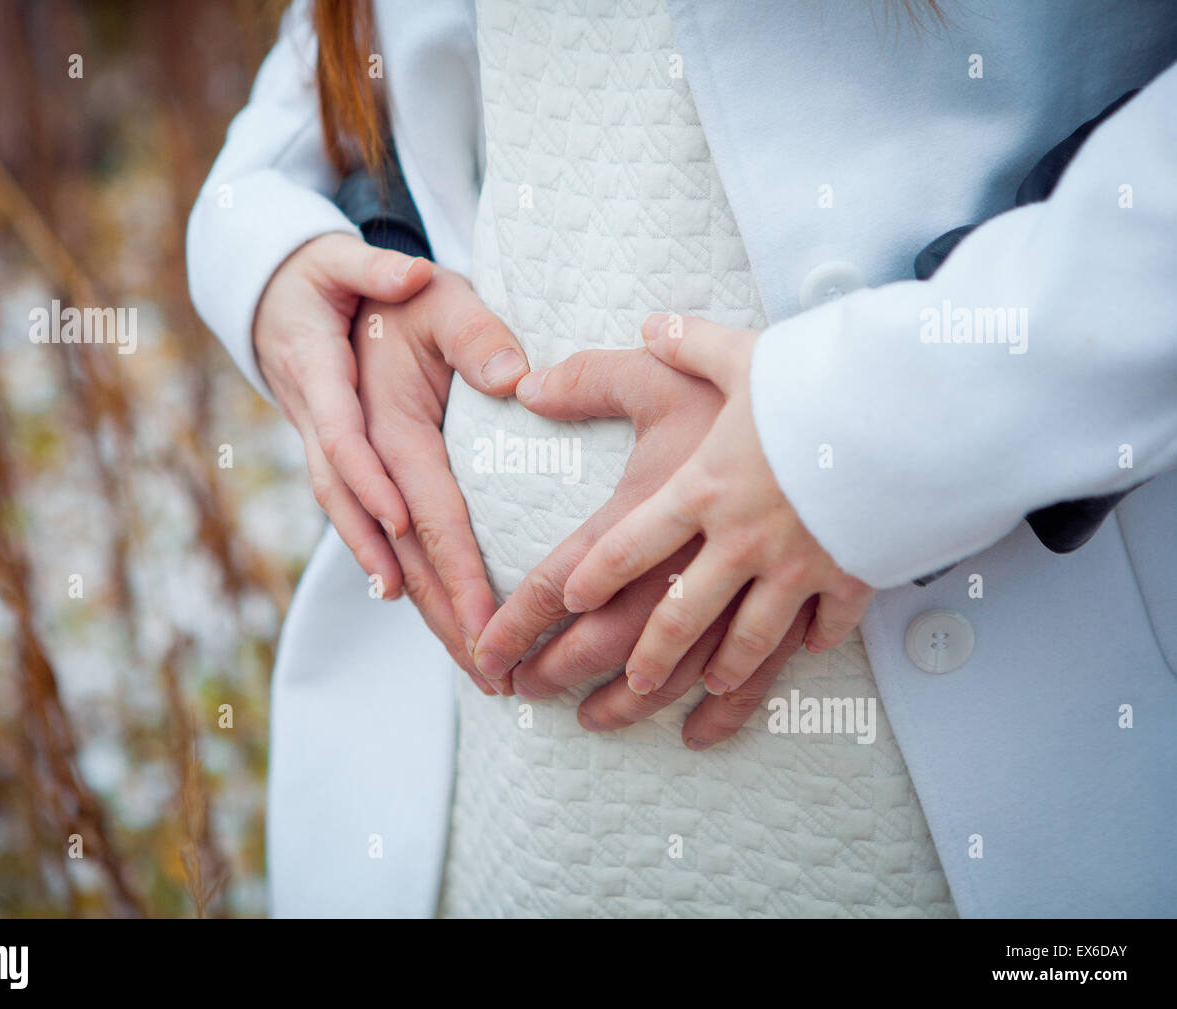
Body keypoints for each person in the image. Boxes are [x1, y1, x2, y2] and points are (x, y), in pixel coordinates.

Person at [187, 0, 1177, 917]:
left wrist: (866, 426)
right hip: (490, 794)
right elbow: (349, 59)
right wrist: (299, 263)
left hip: (936, 729)